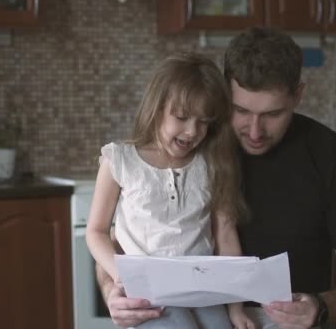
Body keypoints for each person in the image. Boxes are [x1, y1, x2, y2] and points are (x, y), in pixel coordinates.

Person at [97, 27, 336, 329]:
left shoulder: (332, 156)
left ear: (298, 95)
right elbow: (121, 237)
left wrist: (320, 307)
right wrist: (111, 291)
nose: (255, 131)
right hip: (189, 313)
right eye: (241, 110)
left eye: (273, 114)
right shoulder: (191, 141)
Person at [85, 52, 255, 329]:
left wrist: (236, 308)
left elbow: (224, 233)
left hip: (203, 287)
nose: (192, 131)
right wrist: (119, 276)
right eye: (182, 117)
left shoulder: (212, 164)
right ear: (156, 107)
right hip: (149, 288)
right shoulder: (119, 159)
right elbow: (96, 231)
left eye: (203, 121)